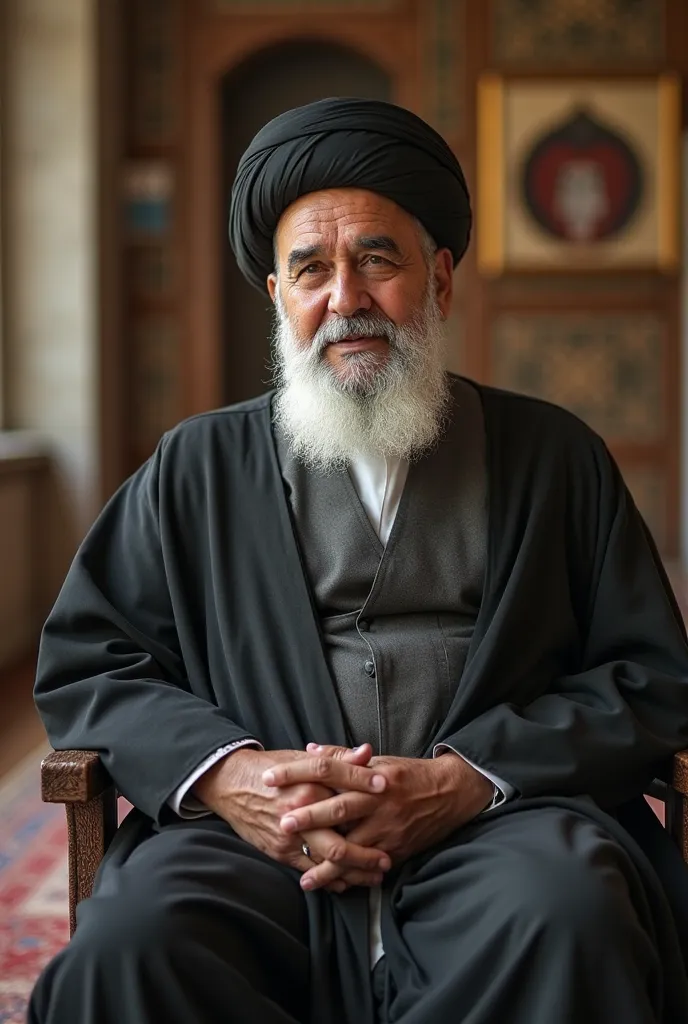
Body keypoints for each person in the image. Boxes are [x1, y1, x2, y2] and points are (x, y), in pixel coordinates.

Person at [28, 97, 688, 1024]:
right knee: (133, 945)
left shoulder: (554, 456)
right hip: (256, 839)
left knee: (571, 915)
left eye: (378, 260)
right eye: (311, 270)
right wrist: (230, 777)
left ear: (441, 278)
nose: (346, 299)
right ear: (277, 299)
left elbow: (647, 677)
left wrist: (466, 780)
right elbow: (93, 661)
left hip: (501, 824)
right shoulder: (197, 466)